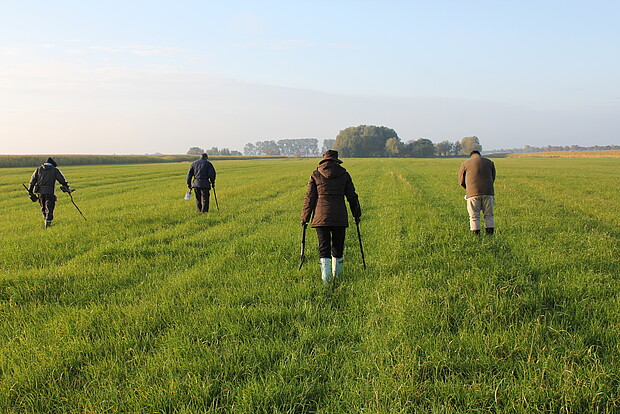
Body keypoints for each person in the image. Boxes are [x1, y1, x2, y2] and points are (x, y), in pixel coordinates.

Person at [301, 150, 361, 284]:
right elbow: (352, 196)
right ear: (336, 161)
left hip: (320, 217)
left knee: (324, 247)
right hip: (339, 216)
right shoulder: (344, 175)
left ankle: (326, 281)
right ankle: (337, 277)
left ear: (324, 160)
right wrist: (356, 214)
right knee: (338, 247)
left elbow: (309, 198)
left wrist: (305, 218)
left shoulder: (316, 174)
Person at [458, 150, 496, 235]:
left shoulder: (465, 164)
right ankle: (490, 235)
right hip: (488, 192)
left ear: (471, 155)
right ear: (479, 155)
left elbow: (461, 182)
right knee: (489, 215)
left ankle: (476, 237)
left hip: (472, 194)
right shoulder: (490, 162)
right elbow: (492, 178)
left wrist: (469, 190)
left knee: (474, 216)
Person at [28, 157, 72, 228]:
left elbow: (32, 181)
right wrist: (67, 187)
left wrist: (30, 191)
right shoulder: (55, 170)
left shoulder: (39, 169)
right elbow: (62, 180)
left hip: (40, 193)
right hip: (50, 192)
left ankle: (46, 220)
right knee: (50, 207)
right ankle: (48, 223)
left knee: (43, 207)